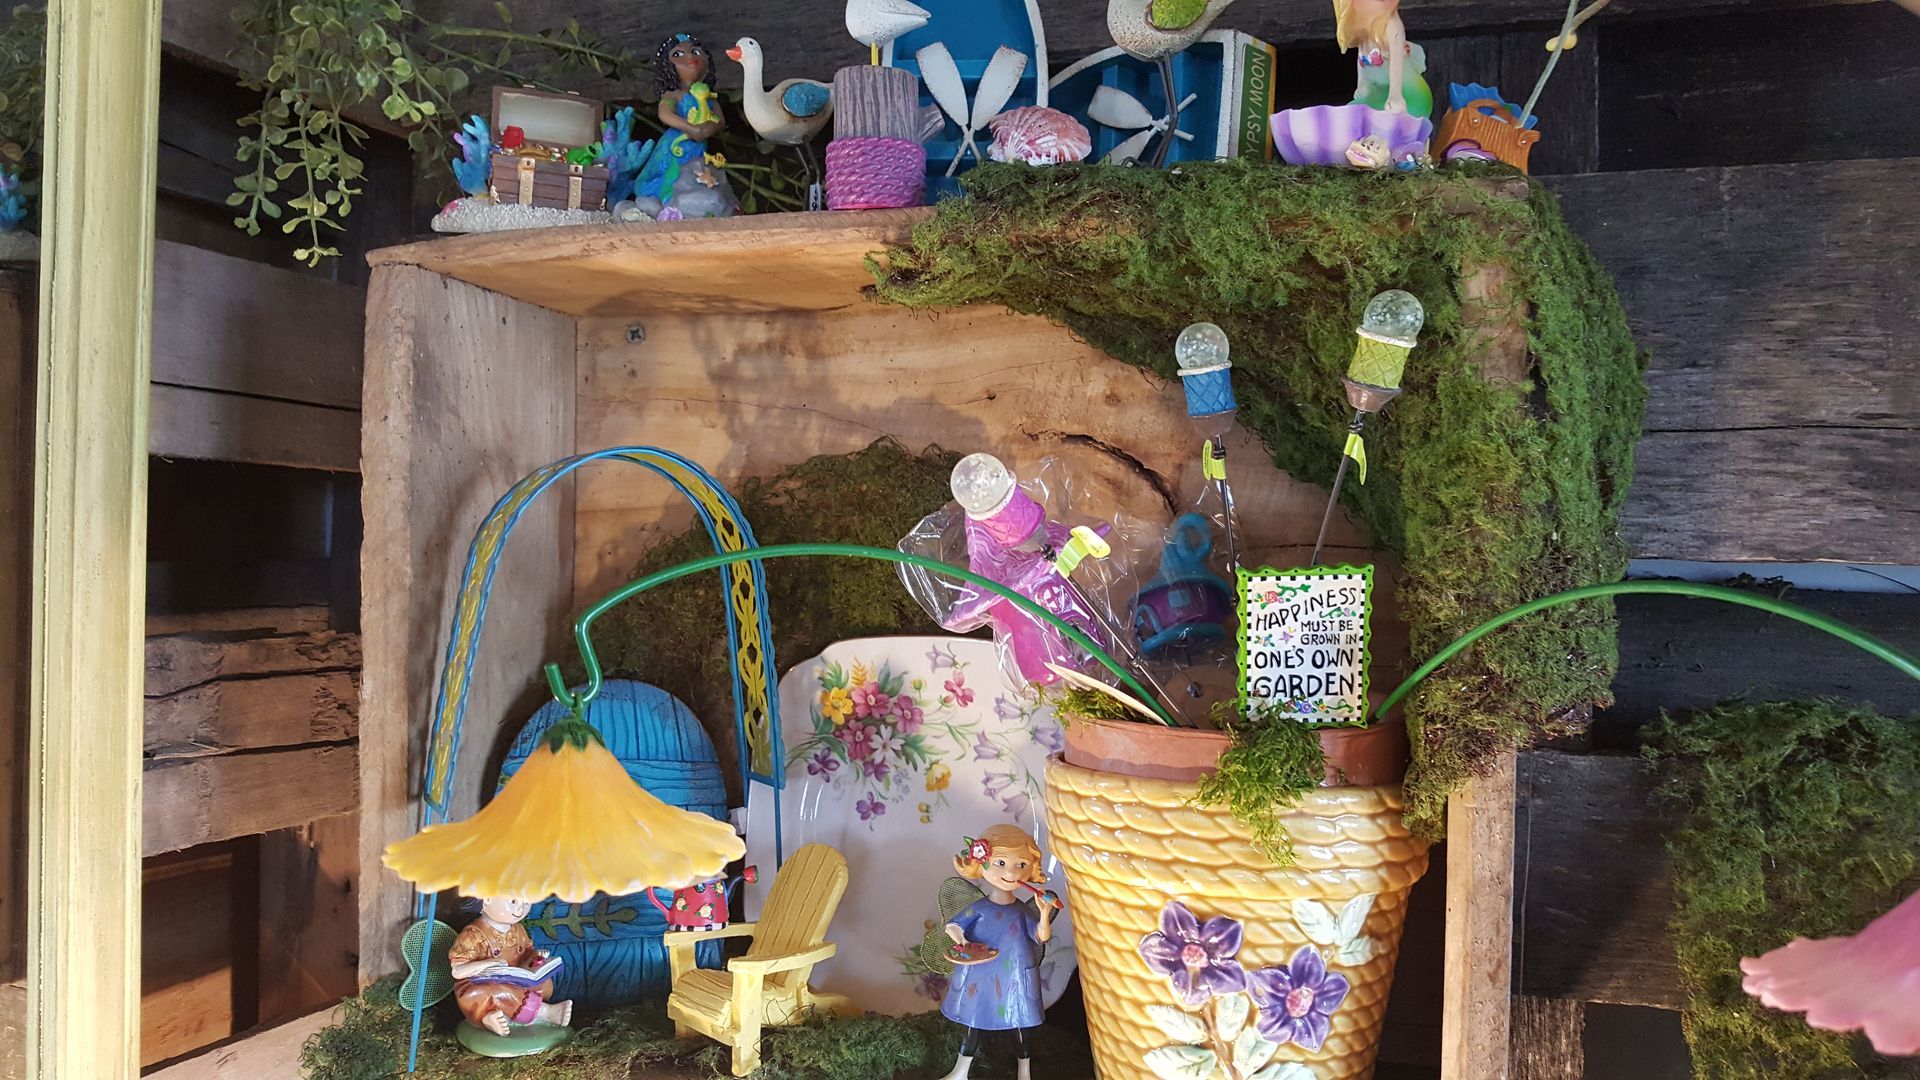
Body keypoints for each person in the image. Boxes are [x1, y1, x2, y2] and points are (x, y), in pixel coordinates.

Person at [938, 825, 1056, 1080]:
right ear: (981, 863)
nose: (1011, 872)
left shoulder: (1022, 911)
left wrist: (1044, 913)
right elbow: (953, 926)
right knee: (972, 1019)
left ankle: (1024, 1072)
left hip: (1014, 977)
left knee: (1021, 1025)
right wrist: (963, 942)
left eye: (1021, 864)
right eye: (1000, 863)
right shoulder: (980, 908)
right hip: (981, 976)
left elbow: (1041, 936)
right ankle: (960, 1071)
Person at [447, 896, 574, 1036]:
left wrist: (536, 955)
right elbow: (457, 971)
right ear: (487, 899)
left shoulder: (518, 929)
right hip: (479, 986)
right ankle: (544, 1012)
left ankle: (500, 1017)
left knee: (545, 985)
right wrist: (487, 963)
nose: (520, 908)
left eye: (526, 902)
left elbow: (527, 951)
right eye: (513, 902)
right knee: (499, 991)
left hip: (516, 979)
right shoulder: (472, 935)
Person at [1333, 0, 1433, 119]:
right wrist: (1362, 83)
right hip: (1380, 92)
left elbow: (1396, 62)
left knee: (1395, 119)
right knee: (1353, 113)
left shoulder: (1392, 26)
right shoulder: (1364, 30)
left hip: (1408, 93)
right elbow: (1362, 59)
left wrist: (1395, 96)